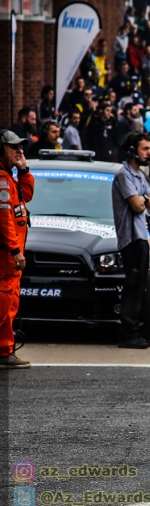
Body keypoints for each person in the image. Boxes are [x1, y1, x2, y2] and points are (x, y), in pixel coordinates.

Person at [111, 131, 150, 349]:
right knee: (132, 286)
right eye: (145, 149)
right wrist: (143, 200)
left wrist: (144, 199)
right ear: (132, 151)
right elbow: (138, 205)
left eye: (149, 148)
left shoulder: (140, 176)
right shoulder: (124, 175)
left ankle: (134, 332)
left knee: (139, 287)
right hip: (131, 239)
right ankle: (128, 335)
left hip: (141, 237)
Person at [0, 131, 33, 368]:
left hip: (11, 258)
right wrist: (15, 250)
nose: (19, 151)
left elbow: (27, 196)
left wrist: (23, 169)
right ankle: (3, 351)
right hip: (6, 256)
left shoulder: (9, 177)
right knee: (4, 303)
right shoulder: (2, 179)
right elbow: (4, 220)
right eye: (13, 148)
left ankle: (5, 351)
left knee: (10, 303)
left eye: (20, 147)